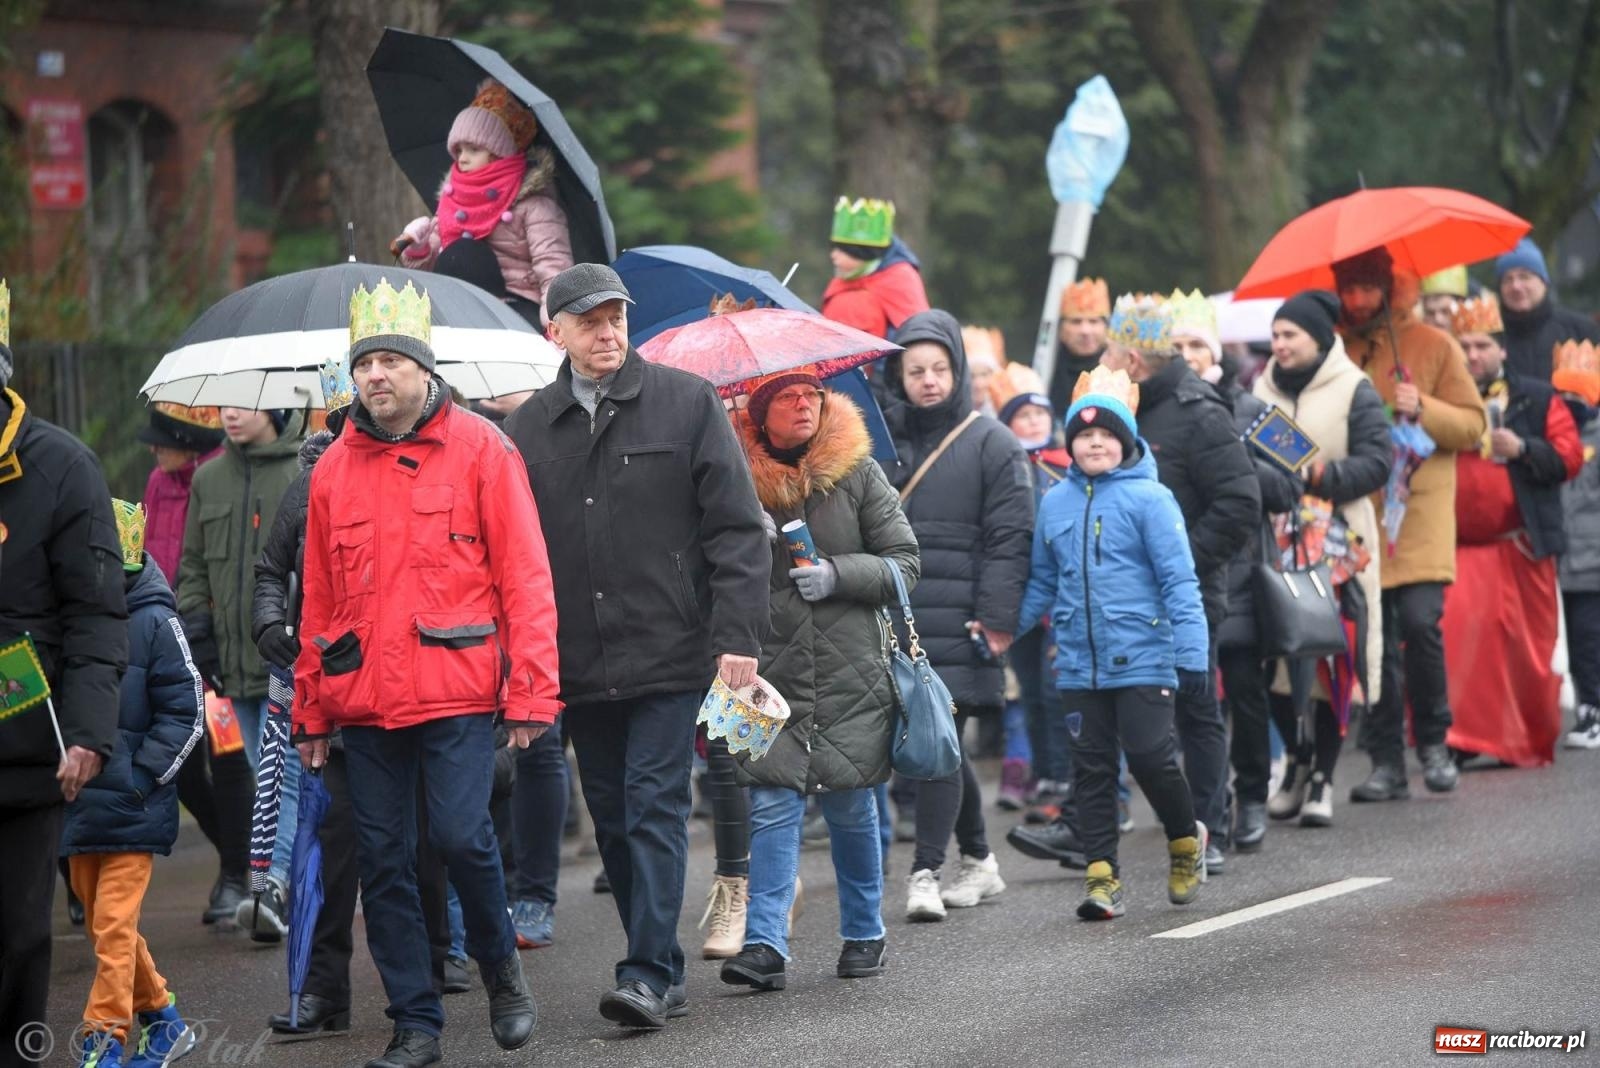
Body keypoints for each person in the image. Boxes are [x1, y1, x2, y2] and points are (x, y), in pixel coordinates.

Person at [294, 279, 560, 1067]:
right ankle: (414, 1023)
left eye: (390, 361)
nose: (376, 376)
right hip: (365, 698)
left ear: (423, 368)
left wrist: (532, 691)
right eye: (364, 363)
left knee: (459, 835)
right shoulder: (333, 469)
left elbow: (526, 579)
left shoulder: (483, 448)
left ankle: (501, 969)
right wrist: (310, 709)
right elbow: (318, 597)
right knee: (383, 860)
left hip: (457, 688)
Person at [503, 263, 770, 1029]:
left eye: (616, 317)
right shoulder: (527, 429)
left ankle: (646, 972)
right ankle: (663, 965)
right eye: (588, 321)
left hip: (670, 651)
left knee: (654, 805)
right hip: (578, 662)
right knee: (613, 818)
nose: (608, 332)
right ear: (554, 331)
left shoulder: (685, 402)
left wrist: (737, 635)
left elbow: (736, 527)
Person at [715, 367, 920, 991]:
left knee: (851, 802)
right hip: (759, 664)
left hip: (850, 668)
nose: (803, 406)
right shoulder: (729, 476)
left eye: (812, 396)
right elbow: (707, 562)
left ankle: (865, 933)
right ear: (757, 411)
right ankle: (765, 946)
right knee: (770, 803)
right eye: (788, 398)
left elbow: (906, 563)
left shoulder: (858, 472)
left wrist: (839, 573)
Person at [1016, 365, 1210, 920]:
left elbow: (1180, 582)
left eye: (1105, 436)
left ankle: (1184, 840)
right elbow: (1042, 583)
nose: (1094, 442)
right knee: (1093, 771)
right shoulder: (1054, 502)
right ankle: (1102, 878)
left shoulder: (1152, 500)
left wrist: (1191, 656)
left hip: (1145, 658)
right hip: (1078, 663)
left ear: (1125, 444)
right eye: (1083, 435)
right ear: (1070, 444)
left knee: (1151, 757)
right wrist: (1006, 630)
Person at [0, 279, 128, 1062]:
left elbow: (96, 615)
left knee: (17, 936)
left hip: (25, 749)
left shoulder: (62, 468)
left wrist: (86, 733)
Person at [878, 309, 1033, 922]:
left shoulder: (992, 441)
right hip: (896, 614)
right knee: (946, 744)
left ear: (959, 370)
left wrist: (996, 620)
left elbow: (1011, 537)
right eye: (915, 370)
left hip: (962, 619)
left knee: (939, 742)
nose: (929, 380)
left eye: (940, 368)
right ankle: (980, 860)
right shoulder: (879, 438)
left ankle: (925, 870)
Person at [1103, 291, 1258, 870]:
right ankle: (1094, 827)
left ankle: (1209, 829)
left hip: (1187, 595)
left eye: (1110, 354)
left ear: (1135, 362)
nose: (1103, 364)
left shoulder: (1200, 413)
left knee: (1196, 710)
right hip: (1122, 598)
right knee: (1113, 714)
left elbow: (1241, 503)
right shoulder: (1116, 409)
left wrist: (1180, 562)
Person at [1333, 248, 1487, 802]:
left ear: (1388, 287)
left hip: (1418, 513)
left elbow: (1473, 426)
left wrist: (1420, 404)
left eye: (1366, 288)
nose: (1356, 300)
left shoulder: (1433, 344)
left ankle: (1434, 746)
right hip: (1361, 517)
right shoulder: (1338, 350)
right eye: (1347, 289)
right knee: (1373, 639)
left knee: (1420, 627)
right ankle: (1386, 762)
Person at [62, 500, 203, 1068]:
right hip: (78, 806)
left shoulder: (155, 622)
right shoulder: (68, 623)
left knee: (114, 926)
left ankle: (105, 1037)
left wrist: (144, 776)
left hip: (134, 806)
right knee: (104, 924)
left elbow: (186, 710)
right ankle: (164, 1020)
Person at [1251, 291, 1392, 829]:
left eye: (1290, 335)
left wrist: (1319, 477)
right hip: (1274, 541)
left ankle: (1324, 779)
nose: (1279, 344)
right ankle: (1297, 759)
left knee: (1333, 656)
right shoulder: (1258, 389)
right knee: (1273, 659)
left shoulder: (1355, 387)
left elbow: (1378, 462)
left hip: (1338, 544)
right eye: (1276, 334)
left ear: (1318, 338)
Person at [1175, 296, 1303, 849]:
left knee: (1246, 686)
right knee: (1194, 695)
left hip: (1244, 569)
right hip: (1183, 572)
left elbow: (1294, 482)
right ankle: (1205, 803)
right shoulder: (1160, 411)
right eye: (1176, 348)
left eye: (1196, 346)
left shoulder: (1255, 410)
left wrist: (1234, 462)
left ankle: (1253, 793)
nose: (1187, 356)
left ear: (1217, 351)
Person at [175, 401, 304, 931]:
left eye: (243, 405)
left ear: (274, 408)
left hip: (290, 658)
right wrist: (199, 634)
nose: (229, 415)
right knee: (261, 772)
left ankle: (271, 884)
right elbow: (193, 565)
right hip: (231, 660)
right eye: (223, 405)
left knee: (287, 771)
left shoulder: (304, 470)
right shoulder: (208, 477)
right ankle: (289, 884)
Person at [1441, 296, 1582, 766]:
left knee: (1527, 652)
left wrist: (1523, 447)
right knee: (1462, 647)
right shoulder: (1444, 400)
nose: (1472, 355)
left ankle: (1524, 739)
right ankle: (1463, 740)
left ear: (1501, 350)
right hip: (1462, 548)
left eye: (1481, 345)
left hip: (1522, 547)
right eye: (1464, 346)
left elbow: (1569, 458)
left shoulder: (1537, 397)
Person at [395, 79, 574, 324]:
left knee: (467, 251)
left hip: (518, 304)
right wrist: (419, 248)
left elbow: (552, 264)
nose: (462, 159)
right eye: (458, 150)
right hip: (458, 301)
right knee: (461, 252)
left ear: (499, 152)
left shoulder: (535, 206)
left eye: (473, 150)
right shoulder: (454, 198)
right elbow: (439, 267)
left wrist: (555, 317)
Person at [995, 391, 1073, 815]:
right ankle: (1043, 773)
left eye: (1040, 413)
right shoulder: (1004, 466)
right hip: (1019, 592)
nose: (1034, 421)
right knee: (1029, 689)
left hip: (1059, 592)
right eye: (1023, 415)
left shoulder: (1066, 464)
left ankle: (1062, 775)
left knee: (1054, 686)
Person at [1554, 340, 1600, 749]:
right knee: (1573, 638)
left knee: (1588, 636)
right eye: (1562, 395)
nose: (1570, 403)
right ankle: (1587, 704)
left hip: (1592, 557)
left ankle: (1593, 711)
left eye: (1578, 395)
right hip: (1561, 559)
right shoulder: (1553, 437)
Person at [820, 198, 930, 341]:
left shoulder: (900, 278)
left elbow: (918, 333)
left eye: (843, 250)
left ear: (862, 252)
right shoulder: (846, 278)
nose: (834, 255)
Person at [138, 404, 223, 583]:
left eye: (161, 444)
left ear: (189, 442)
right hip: (160, 602)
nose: (152, 450)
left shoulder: (220, 480)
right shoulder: (157, 480)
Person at [1495, 238, 1600, 382]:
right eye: (1507, 279)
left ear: (1544, 282)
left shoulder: (1581, 330)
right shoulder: (1490, 338)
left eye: (1524, 277)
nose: (1516, 286)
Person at [1047, 278, 1113, 417]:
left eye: (1093, 321)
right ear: (1061, 329)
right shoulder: (1042, 371)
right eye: (1076, 321)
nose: (1085, 331)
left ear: (1106, 328)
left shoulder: (1121, 373)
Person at [1418, 265, 1469, 333]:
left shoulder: (1476, 342)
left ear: (1461, 309)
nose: (1438, 320)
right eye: (1430, 313)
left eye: (1446, 312)